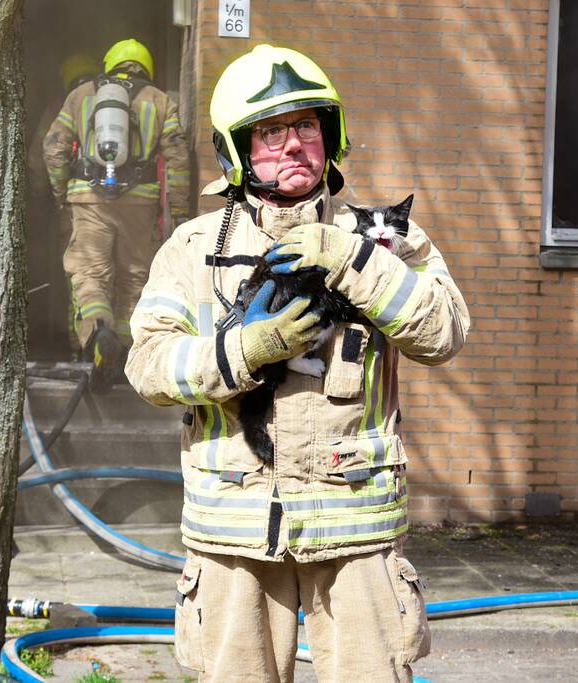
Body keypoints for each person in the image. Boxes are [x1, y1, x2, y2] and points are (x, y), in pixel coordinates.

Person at [126, 44, 469, 682]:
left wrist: (350, 260)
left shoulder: (382, 236)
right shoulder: (193, 249)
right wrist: (244, 351)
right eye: (271, 131)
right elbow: (148, 367)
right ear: (236, 151)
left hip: (357, 534)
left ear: (330, 139)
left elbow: (444, 332)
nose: (293, 146)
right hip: (233, 535)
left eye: (307, 127)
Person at [43, 38, 190, 389]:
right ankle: (124, 355)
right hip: (140, 204)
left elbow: (54, 147)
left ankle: (97, 335)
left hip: (88, 199)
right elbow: (179, 159)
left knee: (89, 276)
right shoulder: (160, 100)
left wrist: (62, 192)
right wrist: (181, 211)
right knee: (135, 280)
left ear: (110, 64)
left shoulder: (81, 96)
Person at [28, 52, 100, 359]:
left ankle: (79, 348)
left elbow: (39, 157)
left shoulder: (61, 104)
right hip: (119, 204)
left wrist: (48, 196)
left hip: (74, 204)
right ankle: (112, 349)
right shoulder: (114, 101)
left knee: (78, 276)